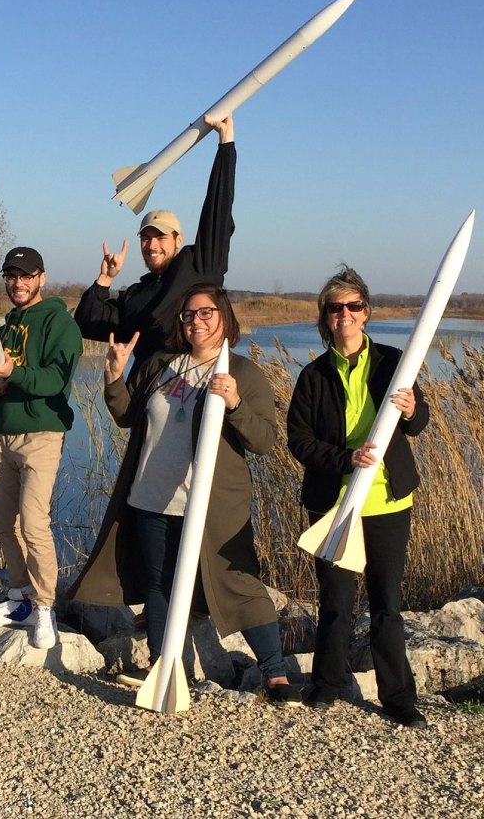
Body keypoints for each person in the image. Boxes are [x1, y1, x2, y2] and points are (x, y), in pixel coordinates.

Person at [70, 285, 300, 703]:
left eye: (206, 313)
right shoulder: (162, 364)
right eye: (189, 315)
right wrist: (114, 378)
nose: (196, 321)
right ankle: (164, 666)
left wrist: (234, 403)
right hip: (151, 498)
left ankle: (275, 673)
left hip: (212, 505)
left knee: (239, 581)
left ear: (225, 317)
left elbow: (264, 440)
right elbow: (126, 416)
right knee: (159, 586)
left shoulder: (243, 372)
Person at [286, 267, 430, 728]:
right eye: (334, 308)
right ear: (325, 317)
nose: (344, 315)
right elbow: (299, 441)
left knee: (387, 602)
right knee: (336, 601)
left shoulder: (393, 362)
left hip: (388, 503)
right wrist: (347, 458)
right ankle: (326, 686)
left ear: (366, 312)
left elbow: (419, 422)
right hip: (334, 503)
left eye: (352, 306)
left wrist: (413, 410)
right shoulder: (312, 375)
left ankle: (398, 699)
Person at [0, 247, 83, 649]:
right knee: (3, 524)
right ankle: (19, 597)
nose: (18, 283)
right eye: (11, 276)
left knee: (34, 524)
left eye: (26, 275)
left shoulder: (58, 322)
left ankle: (45, 607)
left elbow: (55, 379)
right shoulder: (2, 330)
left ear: (42, 277)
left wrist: (12, 373)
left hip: (41, 436)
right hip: (1, 436)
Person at [74, 114, 235, 385]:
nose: (152, 245)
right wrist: (105, 280)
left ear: (178, 239)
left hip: (193, 393)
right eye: (145, 238)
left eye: (160, 237)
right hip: (145, 402)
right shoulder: (135, 297)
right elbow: (88, 322)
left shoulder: (199, 266)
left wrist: (225, 144)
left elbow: (217, 211)